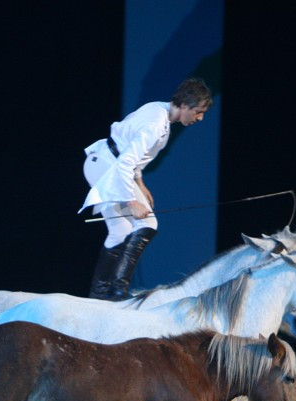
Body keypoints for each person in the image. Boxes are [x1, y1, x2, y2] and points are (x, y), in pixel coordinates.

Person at [80, 76, 213, 300]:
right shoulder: (155, 123)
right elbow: (125, 162)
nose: (200, 118)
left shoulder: (160, 112)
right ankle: (113, 290)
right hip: (105, 167)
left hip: (111, 165)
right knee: (142, 223)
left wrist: (140, 182)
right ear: (184, 105)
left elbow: (131, 153)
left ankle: (107, 291)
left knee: (127, 228)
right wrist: (131, 201)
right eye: (198, 112)